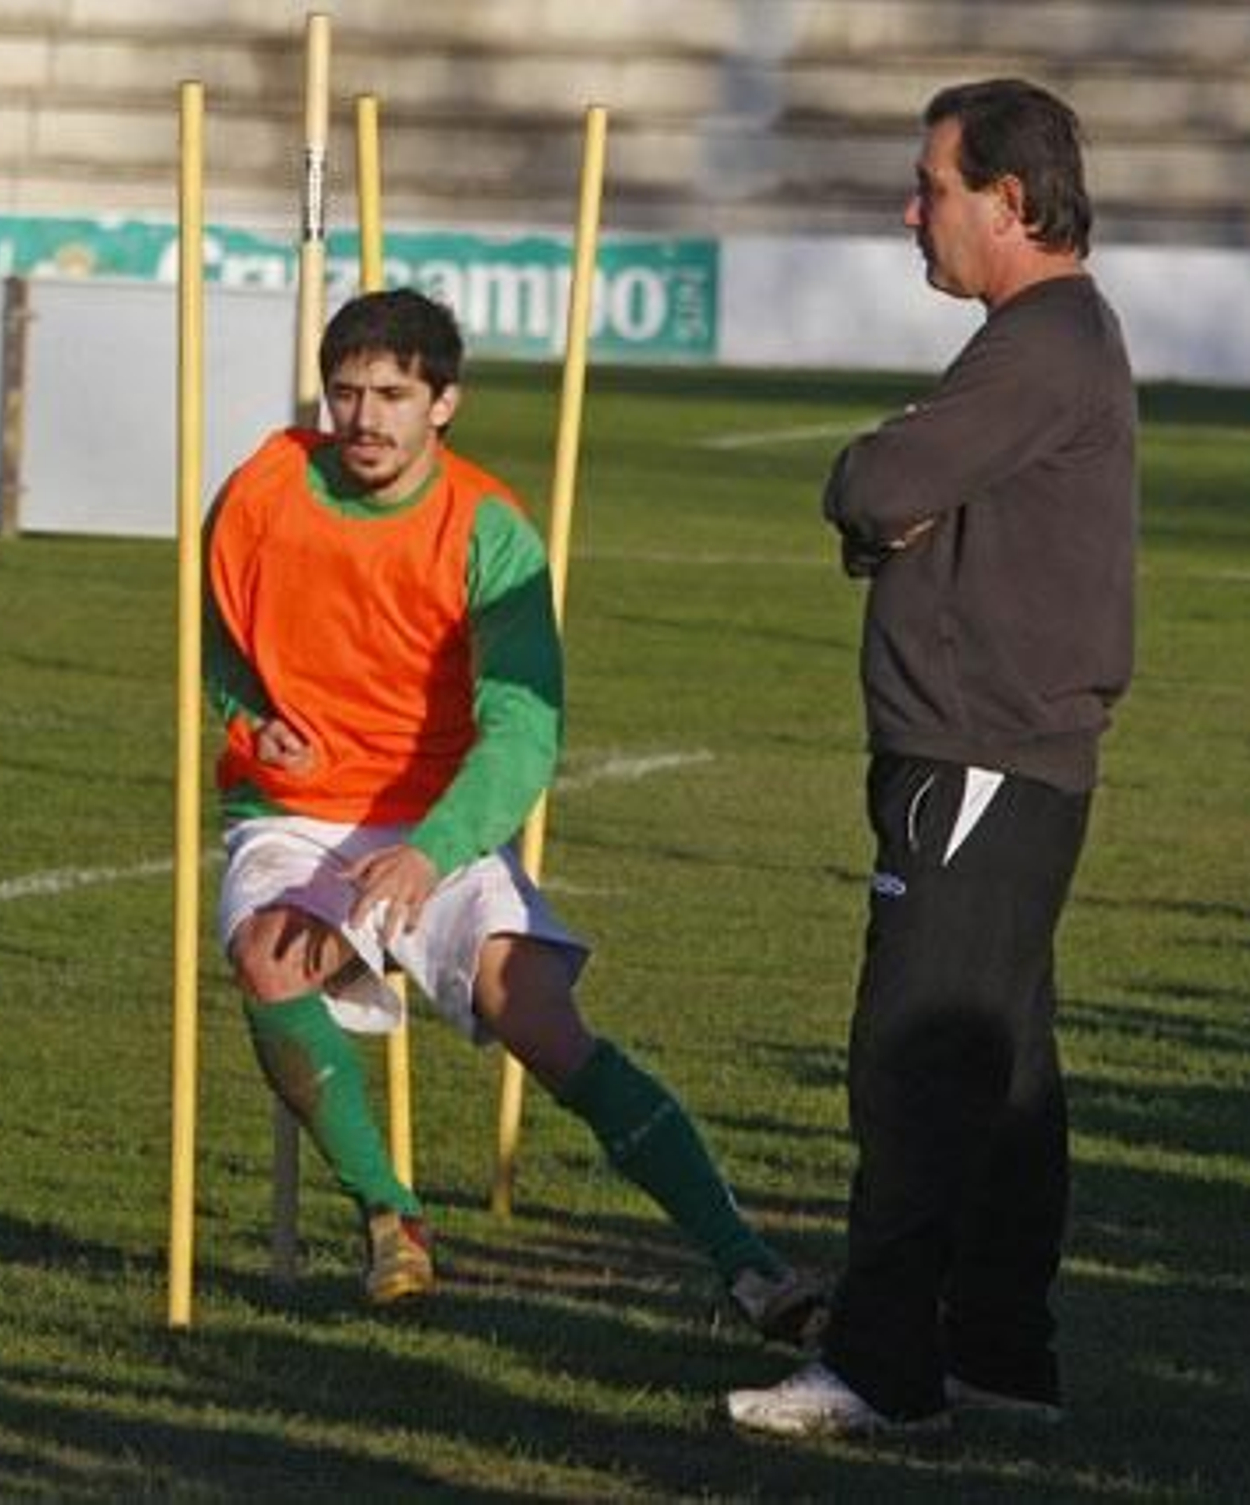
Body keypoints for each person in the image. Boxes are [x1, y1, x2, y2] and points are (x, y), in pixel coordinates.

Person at [205, 287, 821, 1339]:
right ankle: (389, 1215)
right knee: (270, 953)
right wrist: (251, 720)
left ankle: (748, 1264)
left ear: (444, 402)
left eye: (393, 395)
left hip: (437, 813)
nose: (365, 418)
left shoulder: (488, 528)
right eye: (345, 392)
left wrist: (429, 851)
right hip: (298, 811)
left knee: (538, 1010)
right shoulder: (264, 486)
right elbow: (215, 635)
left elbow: (525, 732)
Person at [727, 79, 1138, 1437]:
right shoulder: (1049, 340)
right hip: (1014, 754)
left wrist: (880, 482)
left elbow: (877, 486)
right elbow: (901, 502)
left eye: (934, 187)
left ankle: (884, 1366)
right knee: (1005, 1068)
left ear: (1010, 202)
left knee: (912, 1056)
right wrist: (894, 497)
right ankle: (1004, 1352)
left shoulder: (1042, 340)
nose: (914, 213)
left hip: (978, 754)